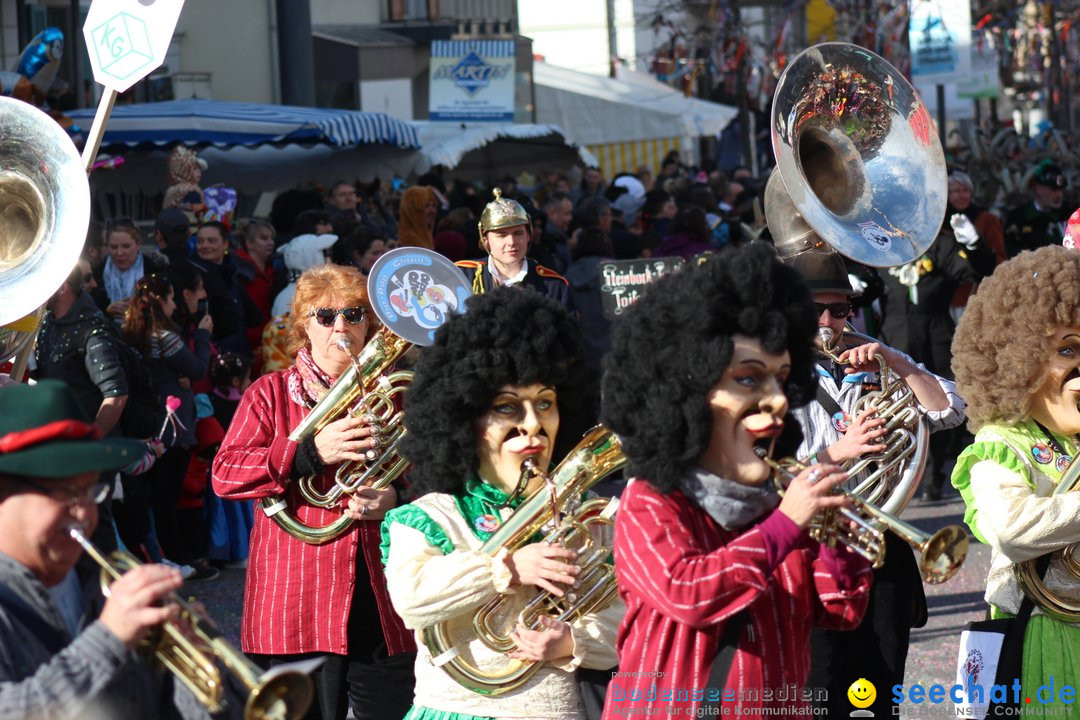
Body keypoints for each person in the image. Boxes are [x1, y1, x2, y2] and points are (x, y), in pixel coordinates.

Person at [599, 243, 872, 718]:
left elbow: (841, 610)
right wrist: (786, 525)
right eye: (749, 379)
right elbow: (691, 595)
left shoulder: (779, 494)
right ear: (691, 389)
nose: (776, 400)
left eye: (782, 379)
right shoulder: (650, 499)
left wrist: (840, 539)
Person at [382, 286, 620, 719]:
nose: (533, 424)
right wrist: (506, 569)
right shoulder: (432, 513)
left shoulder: (588, 513)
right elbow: (410, 599)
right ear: (467, 418)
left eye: (545, 403)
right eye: (508, 408)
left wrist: (572, 641)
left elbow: (634, 621)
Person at [212, 264, 415, 720]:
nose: (341, 326)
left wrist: (398, 500)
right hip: (296, 600)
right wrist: (307, 453)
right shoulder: (268, 394)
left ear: (372, 324)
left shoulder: (399, 394)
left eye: (354, 314)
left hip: (383, 597)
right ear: (304, 325)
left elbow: (440, 480)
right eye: (325, 316)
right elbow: (225, 474)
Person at [782, 247, 966, 717]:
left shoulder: (871, 352)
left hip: (879, 548)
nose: (827, 321)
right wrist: (841, 450)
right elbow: (759, 469)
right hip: (808, 552)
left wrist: (893, 362)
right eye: (814, 309)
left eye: (839, 310)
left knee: (880, 690)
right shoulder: (771, 372)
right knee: (817, 692)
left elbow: (950, 409)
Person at [0, 379, 240, 719]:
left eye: (90, 491)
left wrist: (200, 671)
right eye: (65, 493)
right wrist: (109, 638)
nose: (83, 512)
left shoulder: (103, 585)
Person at [951, 245, 1080, 713]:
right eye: (1067, 350)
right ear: (1020, 361)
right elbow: (1013, 529)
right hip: (1046, 635)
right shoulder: (1001, 443)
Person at [457, 189, 574, 312]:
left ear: (528, 236)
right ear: (485, 240)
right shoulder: (463, 277)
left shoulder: (554, 286)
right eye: (501, 235)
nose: (511, 242)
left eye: (518, 233)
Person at [94, 217, 168, 321]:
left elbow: (164, 309)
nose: (119, 253)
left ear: (138, 244)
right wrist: (107, 311)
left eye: (126, 246)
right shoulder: (97, 274)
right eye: (114, 247)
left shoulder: (154, 270)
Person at [1003, 162, 1068, 259]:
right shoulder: (1018, 217)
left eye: (1060, 190)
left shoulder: (1070, 214)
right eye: (1053, 190)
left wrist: (1044, 240)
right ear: (1038, 189)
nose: (1058, 195)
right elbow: (1010, 252)